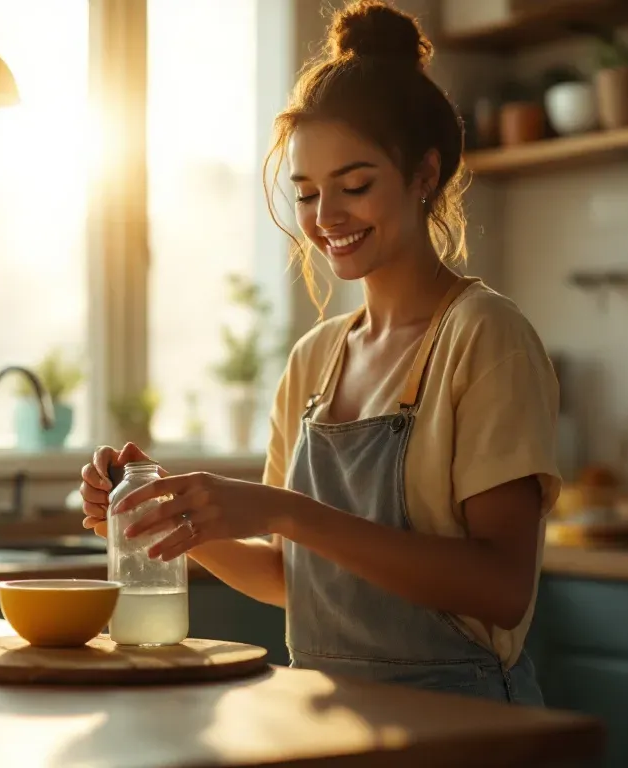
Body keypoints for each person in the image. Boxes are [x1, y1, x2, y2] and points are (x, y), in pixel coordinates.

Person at [78, 0, 560, 706]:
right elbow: (290, 578)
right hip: (328, 714)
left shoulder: (484, 335)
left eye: (355, 186)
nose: (326, 218)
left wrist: (286, 512)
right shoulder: (315, 358)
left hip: (463, 721)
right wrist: (161, 517)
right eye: (306, 193)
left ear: (424, 175)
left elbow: (501, 588)